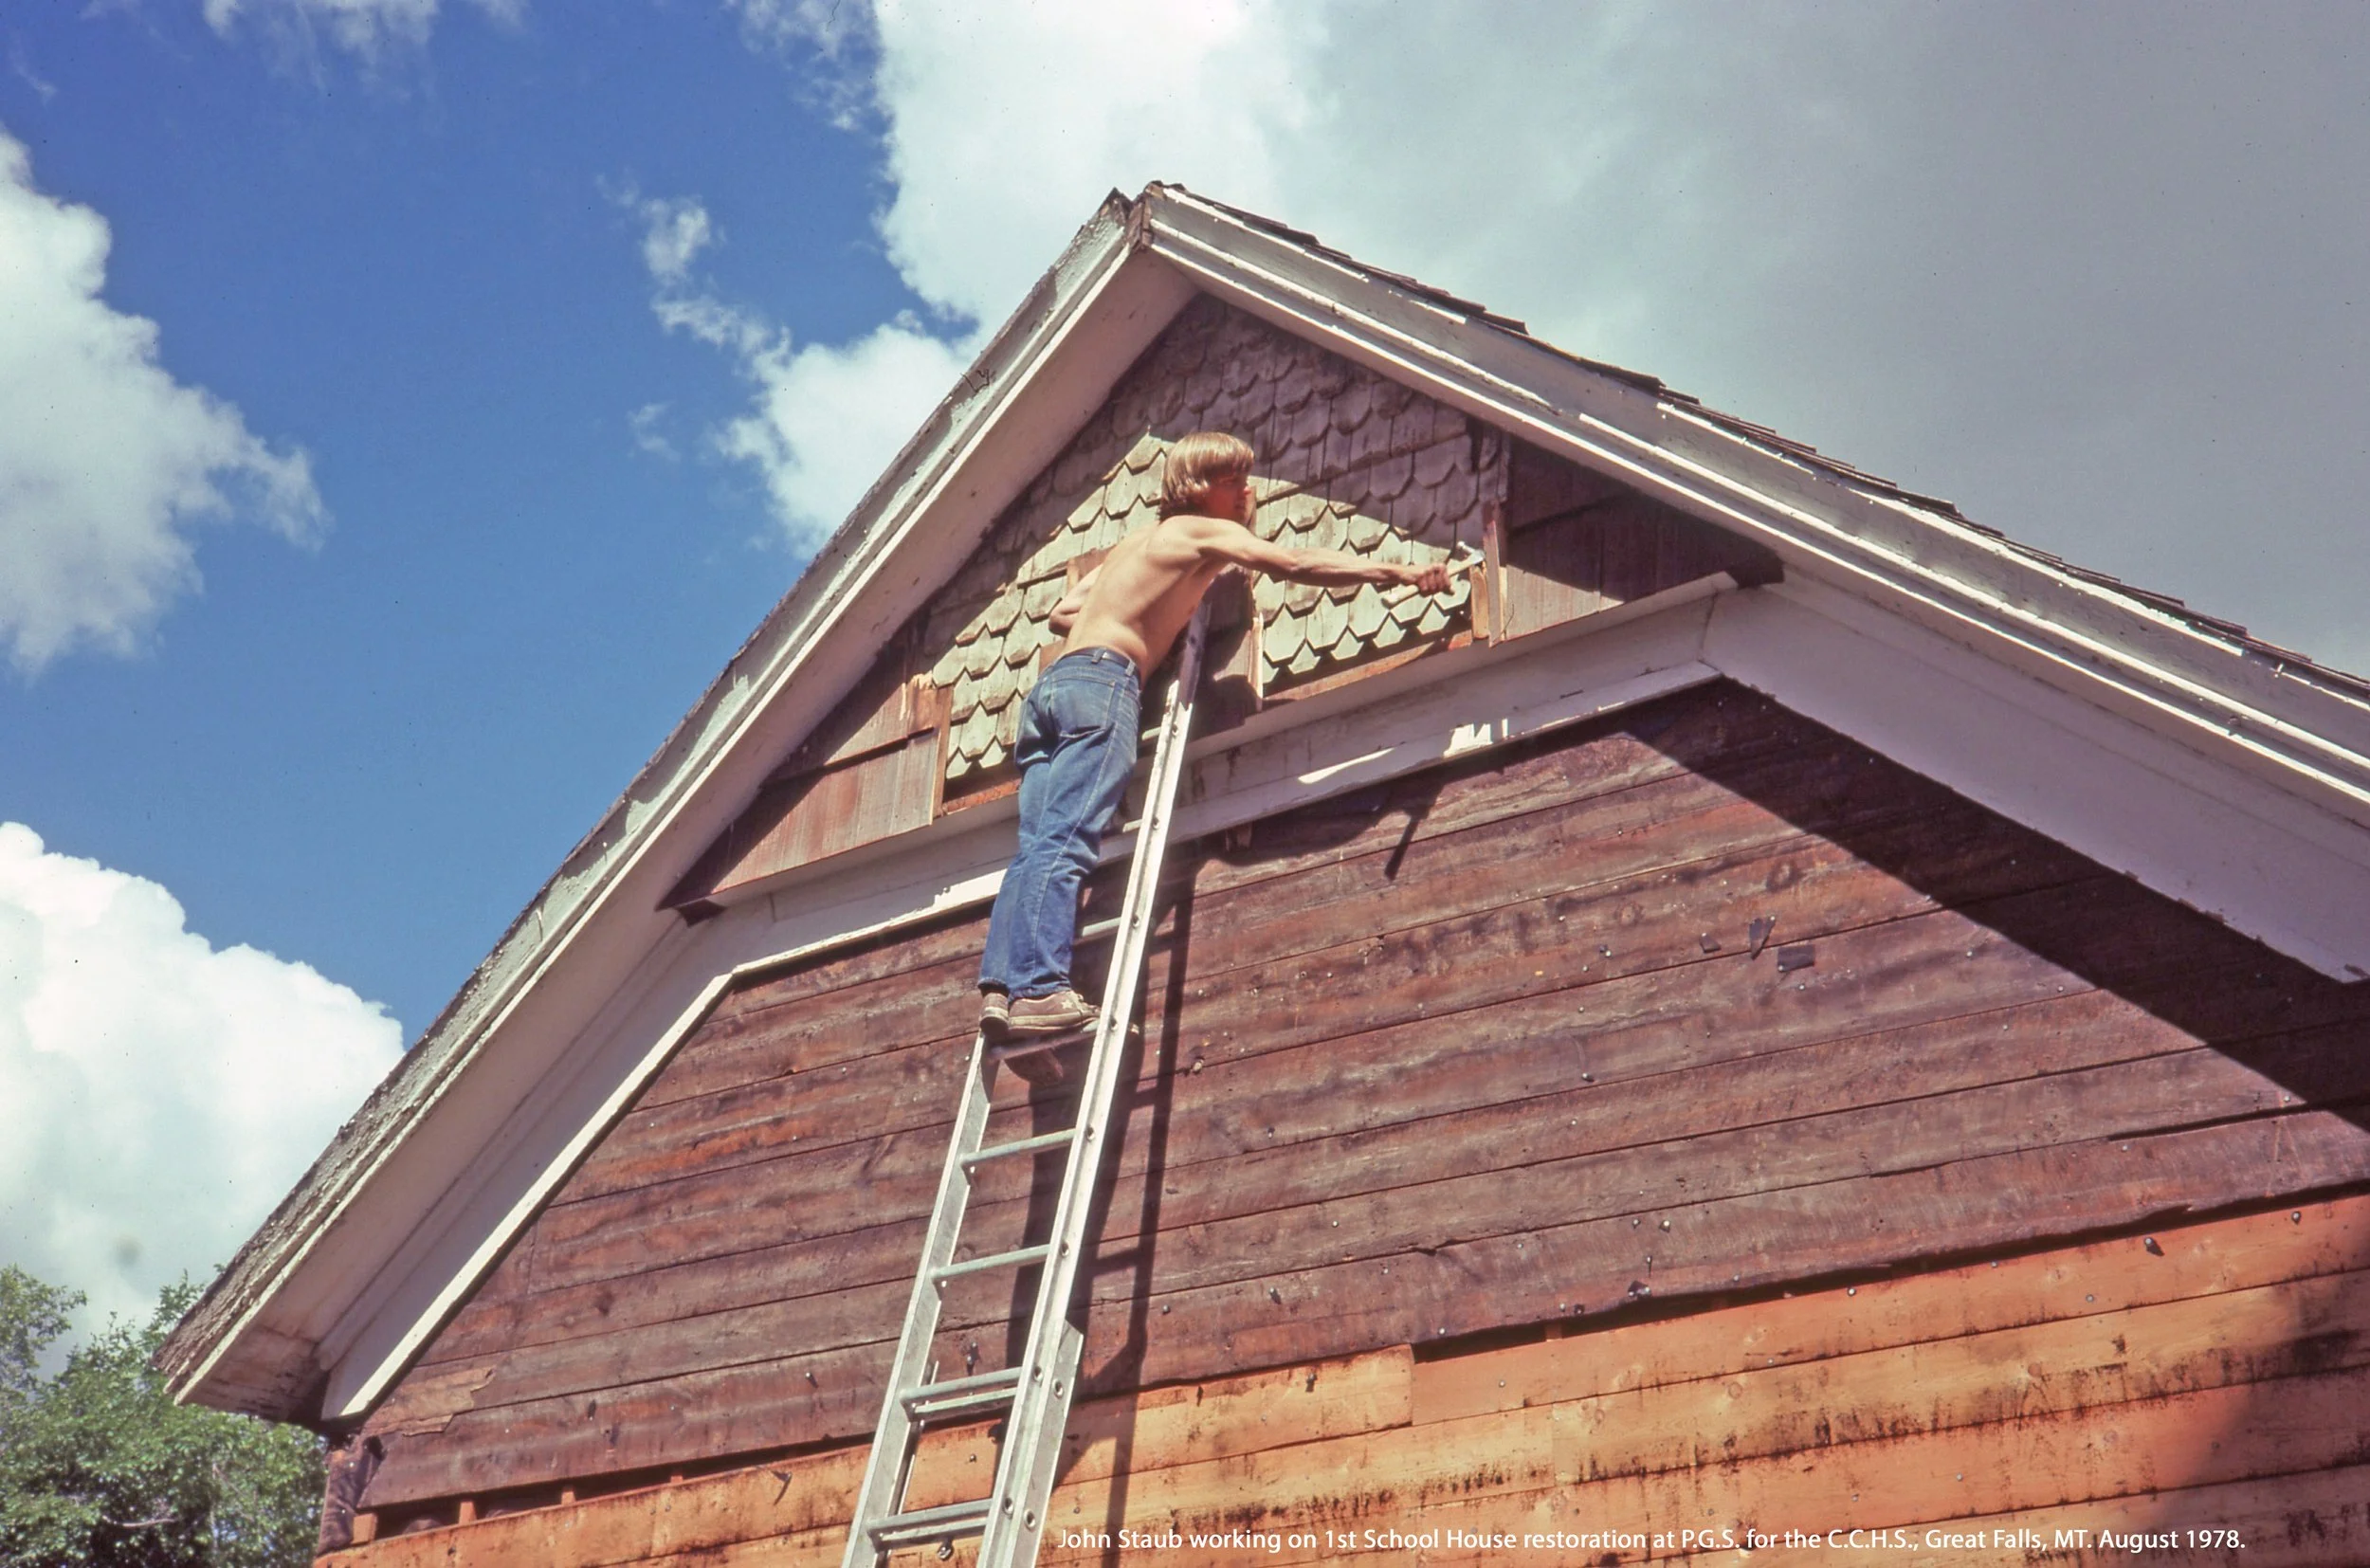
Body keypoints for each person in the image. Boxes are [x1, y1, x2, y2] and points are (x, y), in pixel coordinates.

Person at [978, 429, 1454, 1039]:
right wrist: (1399, 571)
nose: (1246, 491)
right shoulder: (1202, 531)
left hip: (1051, 692)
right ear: (1199, 487)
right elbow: (1296, 563)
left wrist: (1155, 609)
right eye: (1234, 482)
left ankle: (1003, 989)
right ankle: (1042, 992)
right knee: (1068, 842)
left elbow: (1062, 614)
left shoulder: (1133, 544)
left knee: (1037, 846)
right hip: (1103, 686)